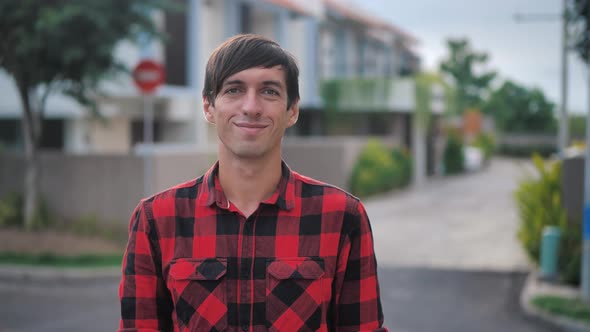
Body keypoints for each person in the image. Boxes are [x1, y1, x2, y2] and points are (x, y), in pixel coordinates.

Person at [119, 34, 387, 332]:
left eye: (269, 92)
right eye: (234, 89)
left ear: (292, 110)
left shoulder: (341, 216)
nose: (251, 106)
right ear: (208, 106)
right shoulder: (157, 219)